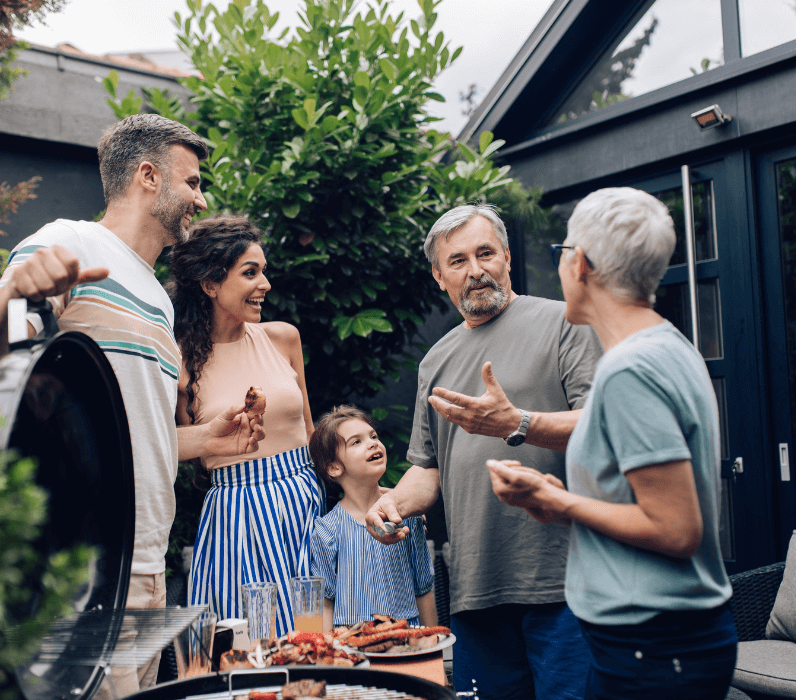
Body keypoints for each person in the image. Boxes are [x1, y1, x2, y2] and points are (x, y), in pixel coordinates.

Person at [0, 114, 264, 695]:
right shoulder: (69, 242)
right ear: (148, 176)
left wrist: (204, 440)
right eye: (191, 182)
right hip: (80, 571)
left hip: (144, 565)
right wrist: (16, 293)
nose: (200, 197)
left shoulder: (157, 300)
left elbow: (126, 435)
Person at [486, 187, 736, 699]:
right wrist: (557, 505)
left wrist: (559, 501)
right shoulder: (667, 343)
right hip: (664, 641)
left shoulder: (630, 370)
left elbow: (675, 527)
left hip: (652, 645)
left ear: (580, 265)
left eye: (563, 252)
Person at [365, 203, 604, 700]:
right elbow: (428, 467)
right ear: (438, 276)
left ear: (508, 257)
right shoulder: (435, 362)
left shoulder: (565, 323)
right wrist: (393, 503)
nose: (475, 270)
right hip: (476, 587)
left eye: (485, 253)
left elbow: (603, 427)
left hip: (563, 581)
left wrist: (516, 423)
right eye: (457, 261)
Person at [171, 215, 324, 637]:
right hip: (235, 517)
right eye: (250, 273)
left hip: (303, 506)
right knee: (250, 646)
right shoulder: (180, 363)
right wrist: (212, 441)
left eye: (264, 271)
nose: (265, 284)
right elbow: (166, 446)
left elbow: (310, 433)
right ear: (210, 284)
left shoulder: (283, 338)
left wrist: (361, 496)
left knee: (313, 640)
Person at [308, 405, 436, 632]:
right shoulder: (326, 530)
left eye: (373, 436)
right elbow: (326, 604)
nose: (373, 443)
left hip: (407, 641)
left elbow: (423, 588)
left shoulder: (407, 516)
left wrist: (434, 647)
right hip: (352, 648)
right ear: (335, 467)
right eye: (356, 442)